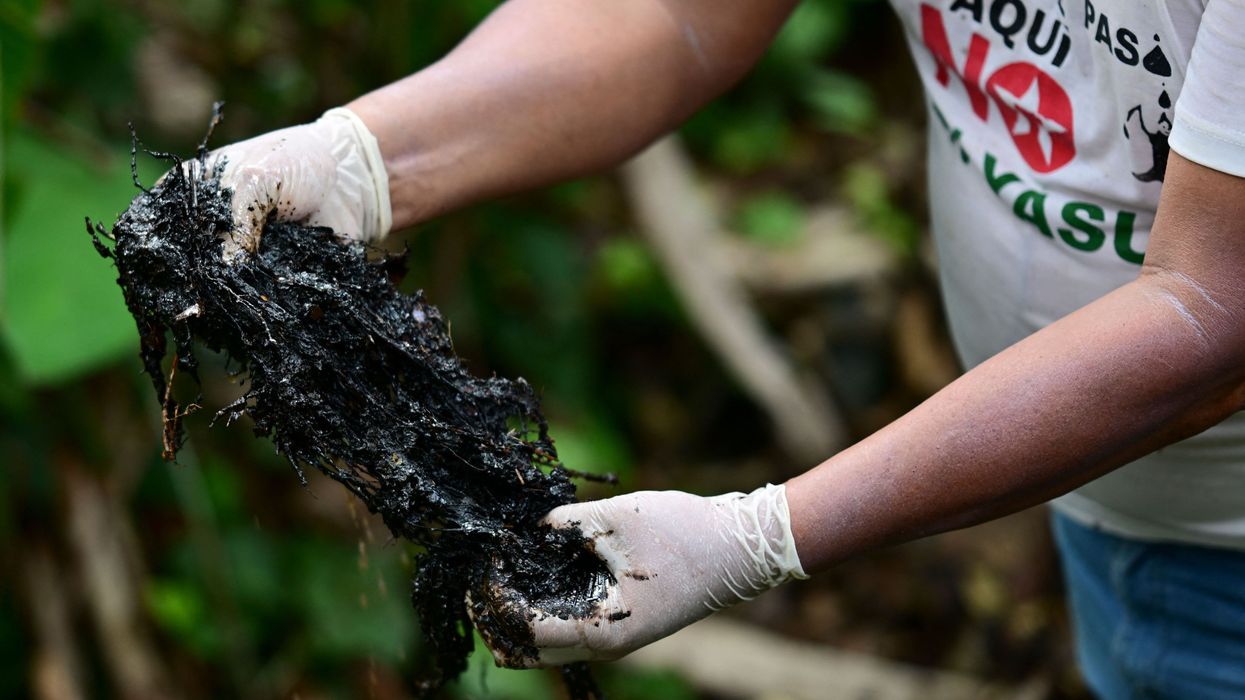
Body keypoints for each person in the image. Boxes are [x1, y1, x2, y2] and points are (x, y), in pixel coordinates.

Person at [196, 1, 1245, 697]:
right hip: (1103, 506)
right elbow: (676, 14)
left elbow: (1211, 308)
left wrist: (762, 536)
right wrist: (363, 158)